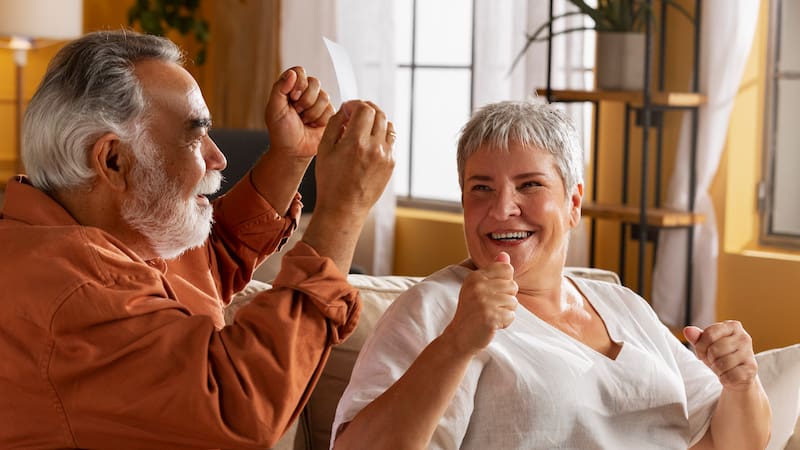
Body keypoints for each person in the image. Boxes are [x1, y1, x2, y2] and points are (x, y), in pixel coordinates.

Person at [0, 29, 395, 448]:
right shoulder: (76, 290)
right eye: (194, 135)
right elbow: (240, 408)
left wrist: (291, 155)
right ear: (113, 160)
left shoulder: (103, 234)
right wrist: (343, 212)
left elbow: (206, 262)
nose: (218, 158)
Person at [331, 100, 771, 449]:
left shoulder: (624, 305)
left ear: (574, 203)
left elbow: (731, 442)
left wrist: (741, 381)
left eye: (530, 185)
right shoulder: (436, 309)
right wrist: (455, 345)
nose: (502, 209)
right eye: (480, 188)